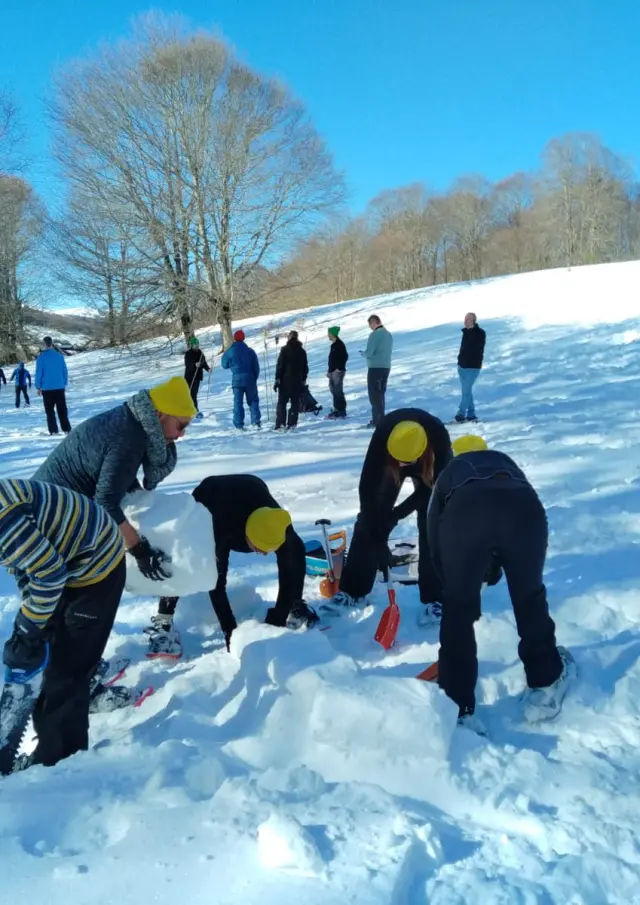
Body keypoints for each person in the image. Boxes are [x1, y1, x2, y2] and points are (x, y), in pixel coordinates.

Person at [427, 434, 574, 731]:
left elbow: (434, 534)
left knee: (458, 611)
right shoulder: (504, 462)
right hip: (525, 511)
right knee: (529, 596)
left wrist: (455, 584)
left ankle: (457, 707)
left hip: (465, 515)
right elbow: (502, 515)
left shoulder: (449, 473)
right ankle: (545, 684)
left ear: (456, 455)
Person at [0, 478, 126, 769]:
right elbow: (22, 563)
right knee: (51, 652)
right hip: (65, 560)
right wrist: (33, 618)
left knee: (66, 672)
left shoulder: (4, 516)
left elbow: (49, 575)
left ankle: (60, 762)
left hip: (96, 566)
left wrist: (28, 627)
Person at [145, 474, 316, 657]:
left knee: (293, 553)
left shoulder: (278, 524)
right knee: (183, 557)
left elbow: (293, 567)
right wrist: (230, 631)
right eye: (260, 548)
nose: (265, 554)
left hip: (252, 487)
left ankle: (294, 607)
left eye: (269, 549)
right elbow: (216, 585)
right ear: (247, 538)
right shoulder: (219, 530)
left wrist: (280, 616)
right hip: (210, 494)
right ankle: (164, 620)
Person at [328, 408, 452, 622]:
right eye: (400, 462)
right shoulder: (383, 435)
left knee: (433, 523)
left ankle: (436, 598)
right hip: (389, 460)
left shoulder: (439, 438)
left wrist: (396, 516)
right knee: (368, 521)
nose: (403, 466)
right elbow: (367, 490)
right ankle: (353, 590)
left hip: (428, 467)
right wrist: (379, 539)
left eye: (407, 463)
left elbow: (432, 490)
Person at [221, 329, 261, 430]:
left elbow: (224, 365)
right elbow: (256, 367)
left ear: (234, 338)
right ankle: (255, 422)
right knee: (253, 400)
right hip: (249, 378)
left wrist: (232, 365)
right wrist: (254, 378)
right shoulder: (250, 351)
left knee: (238, 402)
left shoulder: (230, 351)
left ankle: (239, 424)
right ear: (243, 338)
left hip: (237, 379)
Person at [35, 336, 71, 435]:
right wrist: (64, 383)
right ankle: (66, 428)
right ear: (52, 343)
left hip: (47, 388)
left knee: (50, 411)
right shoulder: (59, 356)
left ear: (44, 344)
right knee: (62, 409)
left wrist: (38, 386)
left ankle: (53, 430)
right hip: (59, 386)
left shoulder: (41, 358)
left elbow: (39, 373)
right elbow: (64, 371)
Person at [274, 330, 308, 431]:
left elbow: (280, 365)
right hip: (297, 381)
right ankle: (292, 423)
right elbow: (305, 367)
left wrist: (277, 378)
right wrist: (303, 379)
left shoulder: (284, 350)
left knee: (282, 402)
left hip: (285, 380)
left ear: (289, 338)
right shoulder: (302, 351)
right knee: (295, 403)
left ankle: (281, 423)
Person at [455, 313, 486, 423]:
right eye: (465, 319)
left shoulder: (480, 333)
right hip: (462, 367)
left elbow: (476, 346)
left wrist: (471, 330)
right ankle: (471, 414)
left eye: (468, 319)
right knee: (467, 391)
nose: (466, 321)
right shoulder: (465, 332)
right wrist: (459, 360)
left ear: (474, 321)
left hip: (473, 367)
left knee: (466, 392)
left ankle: (461, 413)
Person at [363, 314, 393, 427]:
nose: (370, 327)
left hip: (375, 367)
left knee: (374, 395)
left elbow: (369, 352)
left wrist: (363, 354)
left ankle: (377, 421)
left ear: (375, 322)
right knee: (381, 394)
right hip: (386, 367)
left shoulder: (374, 335)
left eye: (370, 324)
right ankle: (381, 419)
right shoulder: (388, 335)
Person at [183, 336, 211, 414]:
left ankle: (194, 410)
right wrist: (194, 364)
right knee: (189, 394)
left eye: (198, 344)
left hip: (197, 377)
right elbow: (187, 364)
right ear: (192, 345)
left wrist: (208, 369)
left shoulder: (200, 353)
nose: (197, 346)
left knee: (194, 394)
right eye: (195, 345)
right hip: (189, 377)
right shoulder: (188, 353)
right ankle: (191, 410)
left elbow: (204, 362)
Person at [326, 325, 348, 419]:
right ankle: (337, 409)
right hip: (332, 371)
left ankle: (341, 410)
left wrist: (339, 368)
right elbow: (331, 359)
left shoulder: (339, 344)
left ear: (333, 334)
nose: (328, 335)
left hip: (337, 372)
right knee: (333, 390)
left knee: (338, 391)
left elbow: (345, 356)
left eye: (329, 334)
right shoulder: (333, 345)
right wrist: (329, 371)